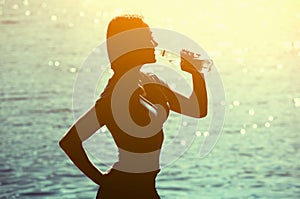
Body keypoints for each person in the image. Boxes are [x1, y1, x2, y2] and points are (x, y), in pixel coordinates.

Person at [59, 14, 208, 199]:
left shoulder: (151, 81)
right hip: (121, 191)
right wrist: (103, 181)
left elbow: (197, 109)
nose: (154, 43)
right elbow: (70, 142)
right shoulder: (113, 97)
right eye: (148, 38)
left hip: (147, 189)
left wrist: (196, 72)